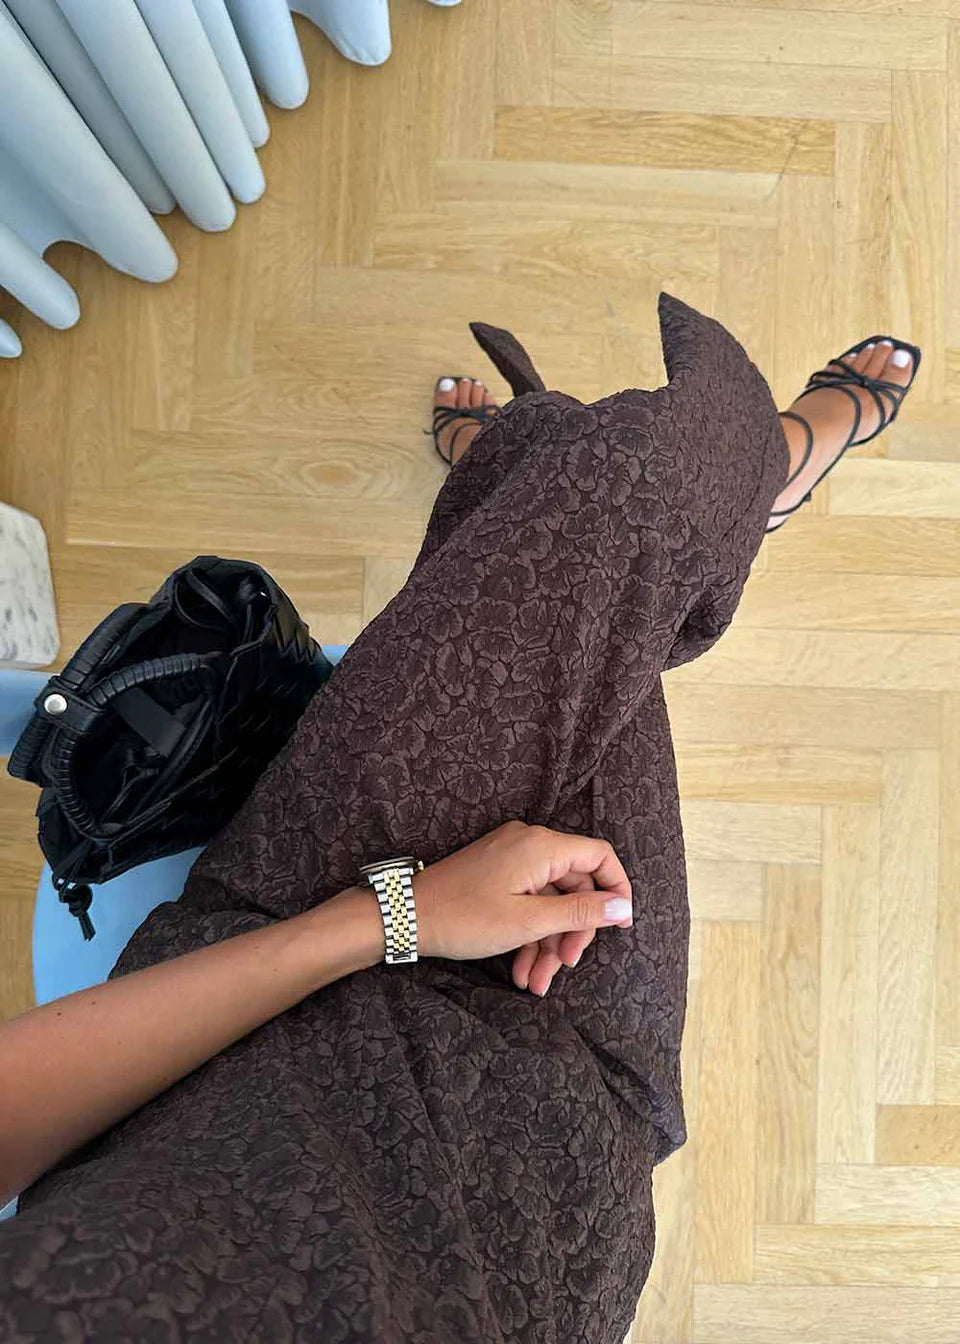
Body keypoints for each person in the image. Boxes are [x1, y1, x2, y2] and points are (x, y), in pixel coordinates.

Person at [0, 295, 918, 1343]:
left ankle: (637, 470)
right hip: (567, 1105)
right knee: (597, 503)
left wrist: (391, 917)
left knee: (621, 478)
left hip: (276, 955)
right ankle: (751, 469)